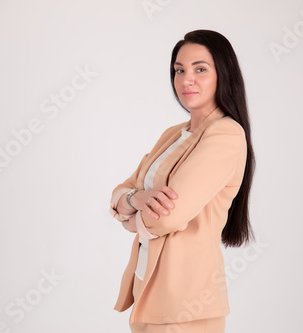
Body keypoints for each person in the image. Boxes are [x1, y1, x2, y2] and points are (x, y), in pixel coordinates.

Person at [109, 29, 255, 333]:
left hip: (185, 304)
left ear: (223, 74)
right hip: (148, 291)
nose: (186, 79)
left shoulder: (225, 135)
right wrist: (137, 199)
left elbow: (166, 217)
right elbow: (121, 192)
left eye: (200, 69)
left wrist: (129, 212)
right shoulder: (173, 134)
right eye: (179, 70)